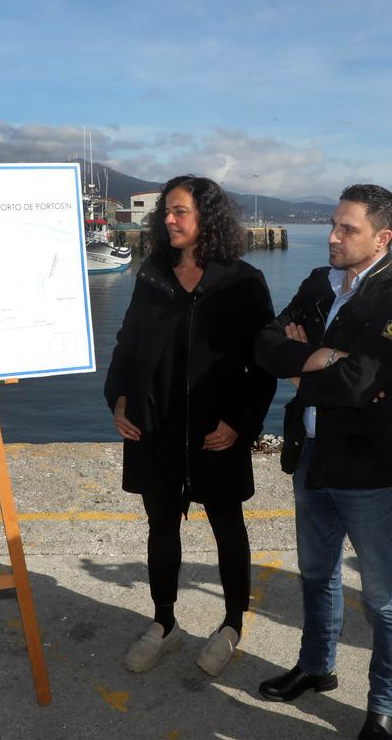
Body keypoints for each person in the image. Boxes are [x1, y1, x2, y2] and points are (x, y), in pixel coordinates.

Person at [253, 184, 392, 739]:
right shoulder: (318, 282)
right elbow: (262, 343)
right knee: (315, 574)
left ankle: (385, 705)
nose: (332, 236)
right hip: (311, 459)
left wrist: (299, 366)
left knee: (384, 595)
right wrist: (319, 358)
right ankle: (315, 665)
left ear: (383, 237)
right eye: (333, 224)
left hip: (367, 471)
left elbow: (359, 384)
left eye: (346, 229)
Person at [104, 174, 275, 677]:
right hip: (153, 429)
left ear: (207, 219)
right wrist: (117, 400)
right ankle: (164, 623)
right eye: (167, 213)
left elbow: (263, 363)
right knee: (160, 527)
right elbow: (127, 344)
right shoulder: (151, 274)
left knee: (228, 528)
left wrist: (240, 424)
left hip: (214, 431)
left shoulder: (243, 282)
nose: (169, 220)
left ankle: (231, 625)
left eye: (180, 212)